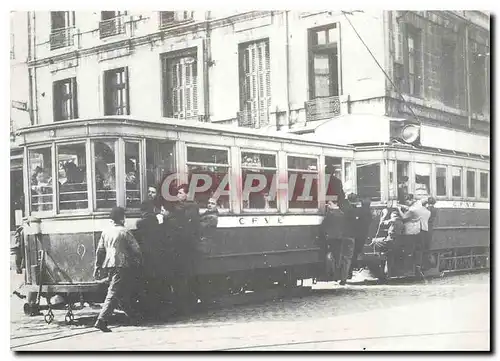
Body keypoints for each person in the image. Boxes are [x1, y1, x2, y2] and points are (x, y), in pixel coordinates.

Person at [93, 207, 143, 332]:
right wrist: (138, 262)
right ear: (122, 218)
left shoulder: (106, 232)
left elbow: (100, 251)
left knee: (121, 292)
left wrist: (97, 266)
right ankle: (101, 320)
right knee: (114, 292)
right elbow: (136, 249)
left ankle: (133, 317)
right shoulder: (124, 232)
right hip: (122, 265)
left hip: (109, 264)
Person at [167, 184, 201, 312]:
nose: (178, 195)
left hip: (186, 246)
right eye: (178, 193)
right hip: (184, 245)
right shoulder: (180, 208)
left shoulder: (189, 207)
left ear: (187, 194)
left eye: (181, 193)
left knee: (184, 275)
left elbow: (187, 225)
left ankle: (185, 303)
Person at [397, 196, 431, 275]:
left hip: (414, 232)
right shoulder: (427, 211)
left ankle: (408, 269)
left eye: (408, 200)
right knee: (419, 250)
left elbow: (404, 216)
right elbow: (411, 208)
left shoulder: (414, 210)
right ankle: (418, 268)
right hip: (423, 231)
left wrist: (399, 208)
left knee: (410, 250)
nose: (406, 202)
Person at [349, 196, 373, 277]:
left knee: (353, 253)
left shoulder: (359, 211)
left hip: (356, 235)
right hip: (364, 234)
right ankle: (352, 270)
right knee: (356, 252)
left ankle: (350, 271)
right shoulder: (369, 212)